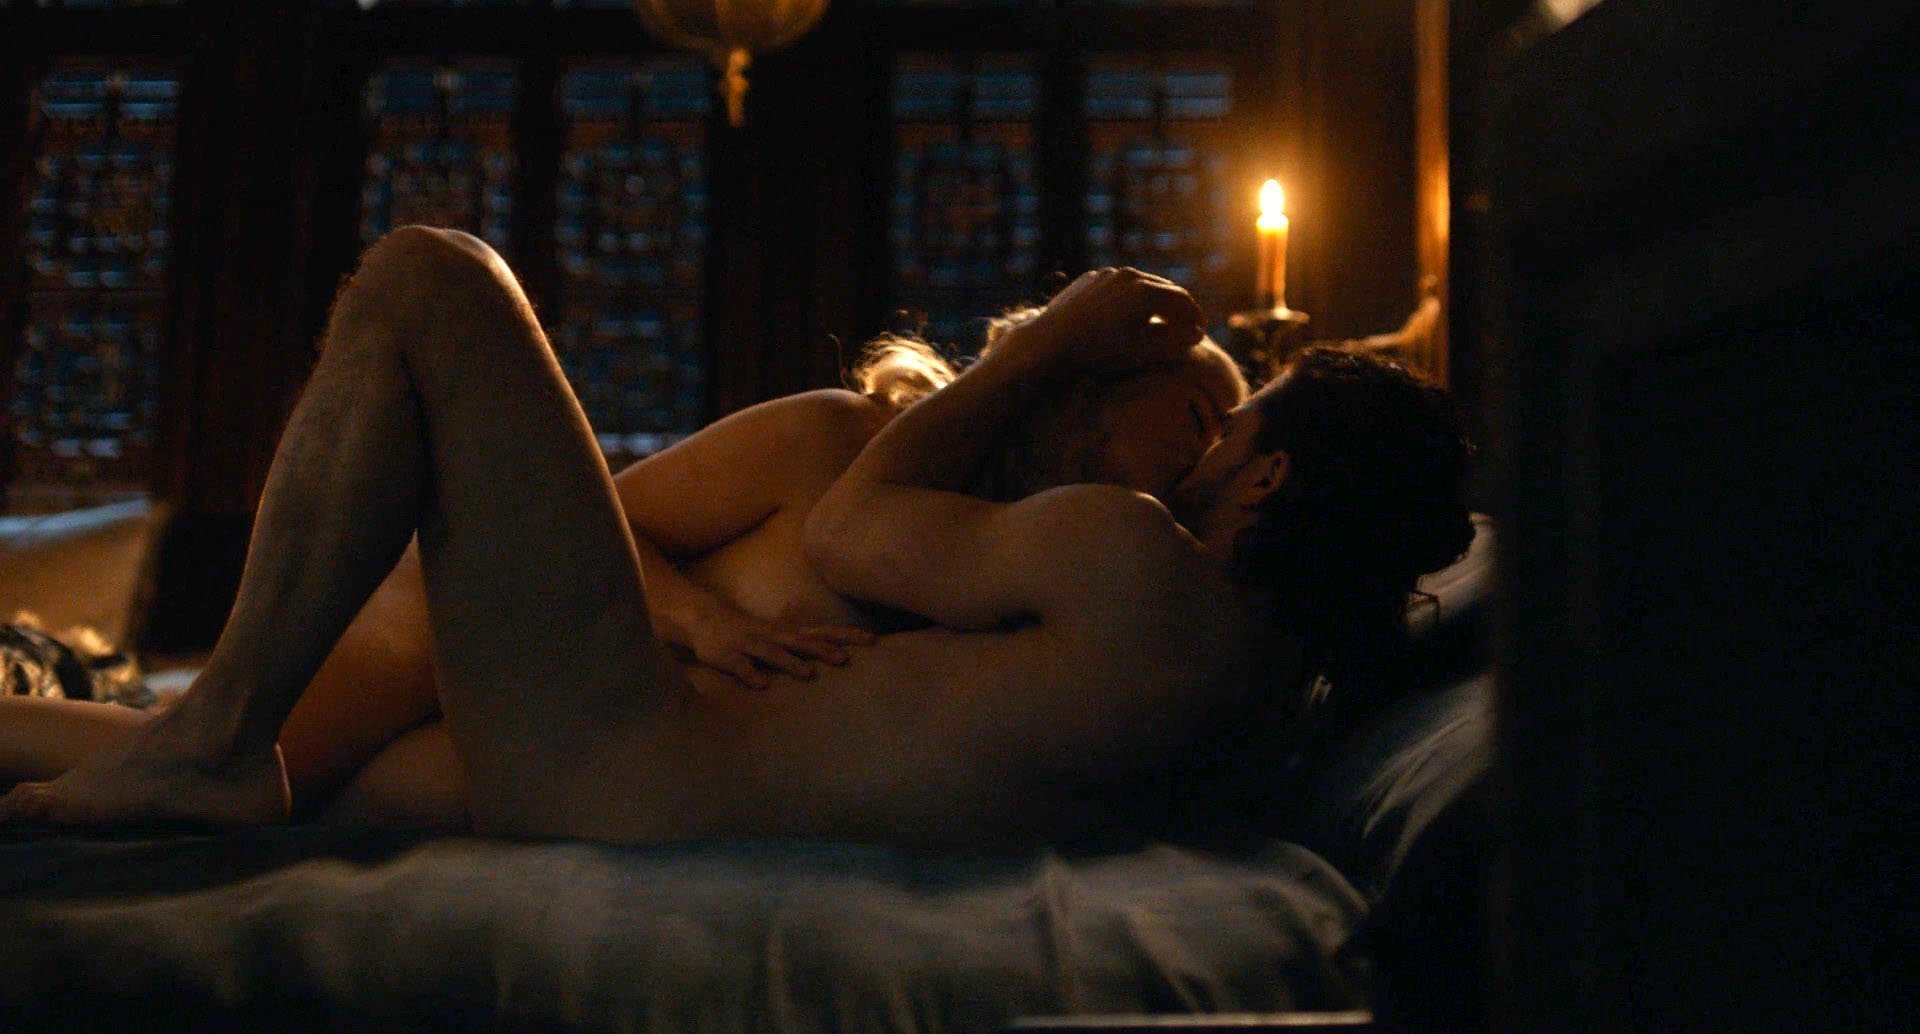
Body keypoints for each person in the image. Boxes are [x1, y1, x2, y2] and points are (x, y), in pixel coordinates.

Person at [0, 227, 1468, 848]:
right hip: (613, 731)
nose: (1209, 447)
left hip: (613, 749)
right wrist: (701, 622)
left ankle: (211, 748)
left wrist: (1049, 338)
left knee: (431, 276)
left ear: (1274, 481)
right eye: (1194, 411)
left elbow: (856, 529)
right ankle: (195, 745)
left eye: (1236, 422)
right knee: (286, 768)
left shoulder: (1134, 566)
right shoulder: (1259, 706)